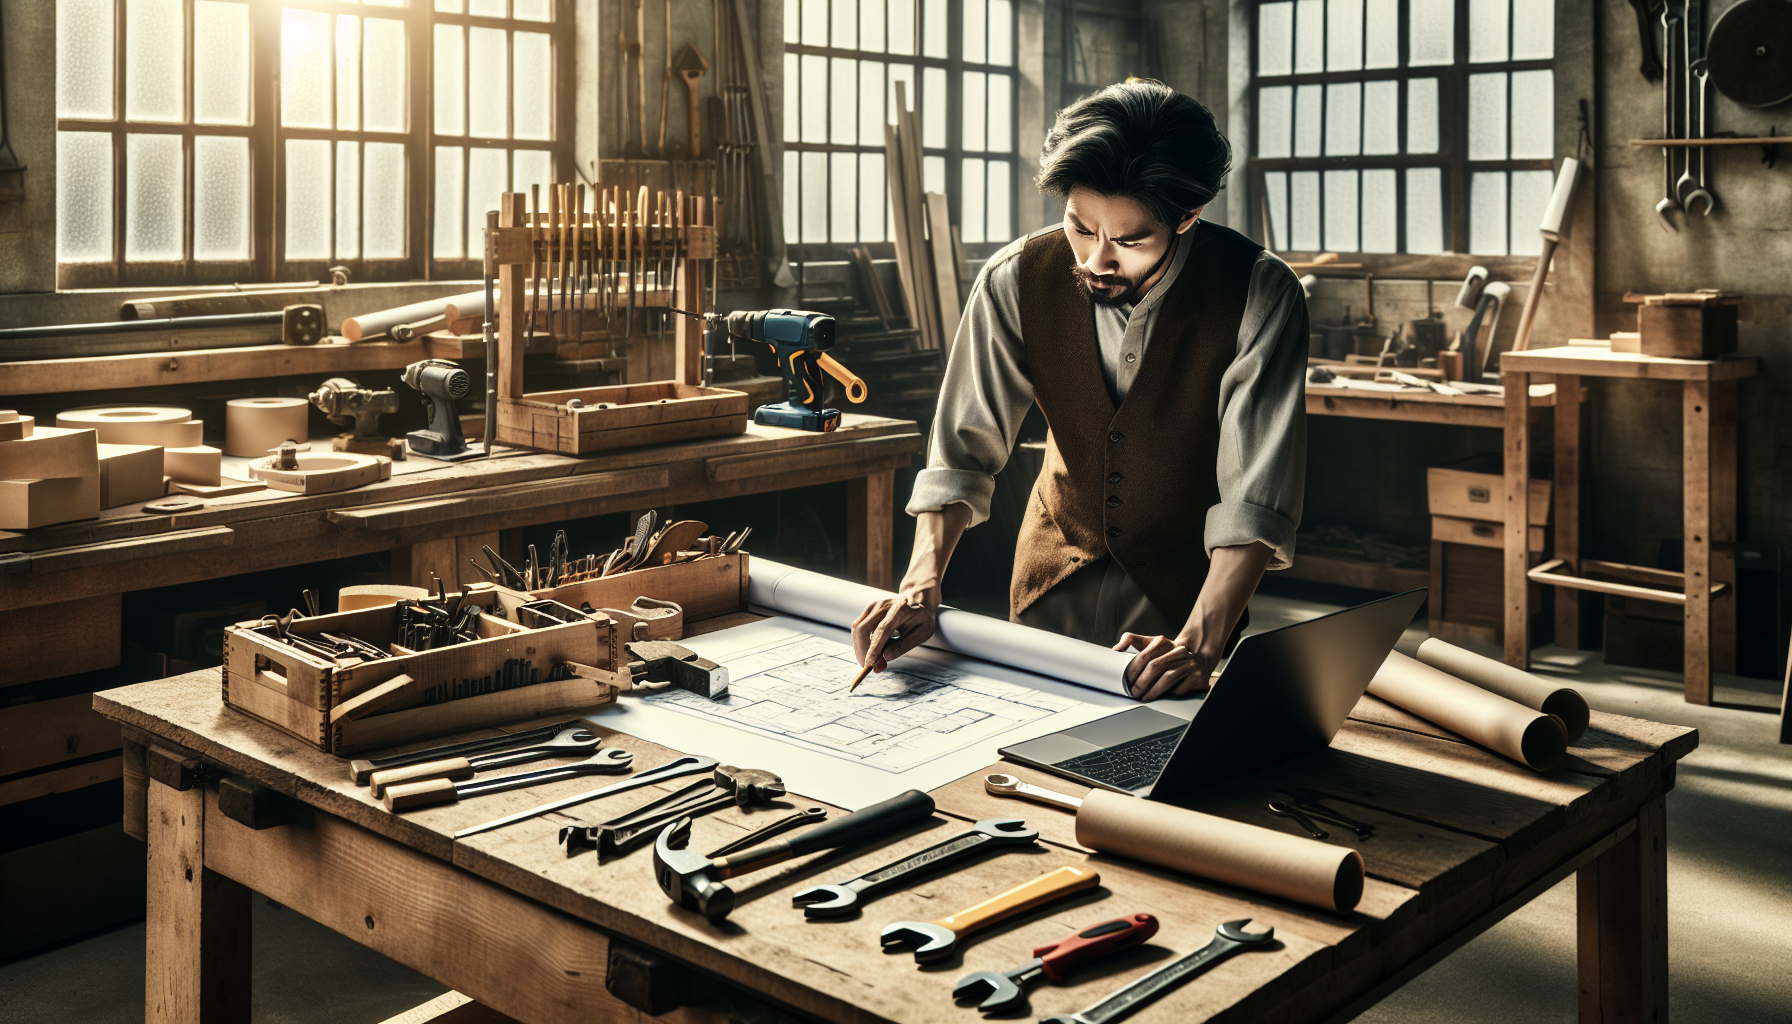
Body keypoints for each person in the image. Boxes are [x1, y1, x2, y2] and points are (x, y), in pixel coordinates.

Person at [851, 79, 1308, 702]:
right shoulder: (1014, 279)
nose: (1096, 259)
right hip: (1048, 577)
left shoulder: (1259, 292)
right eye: (1080, 226)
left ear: (1187, 216)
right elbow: (961, 452)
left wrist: (1200, 644)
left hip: (1187, 600)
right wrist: (919, 582)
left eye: (1128, 241)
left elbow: (1256, 493)